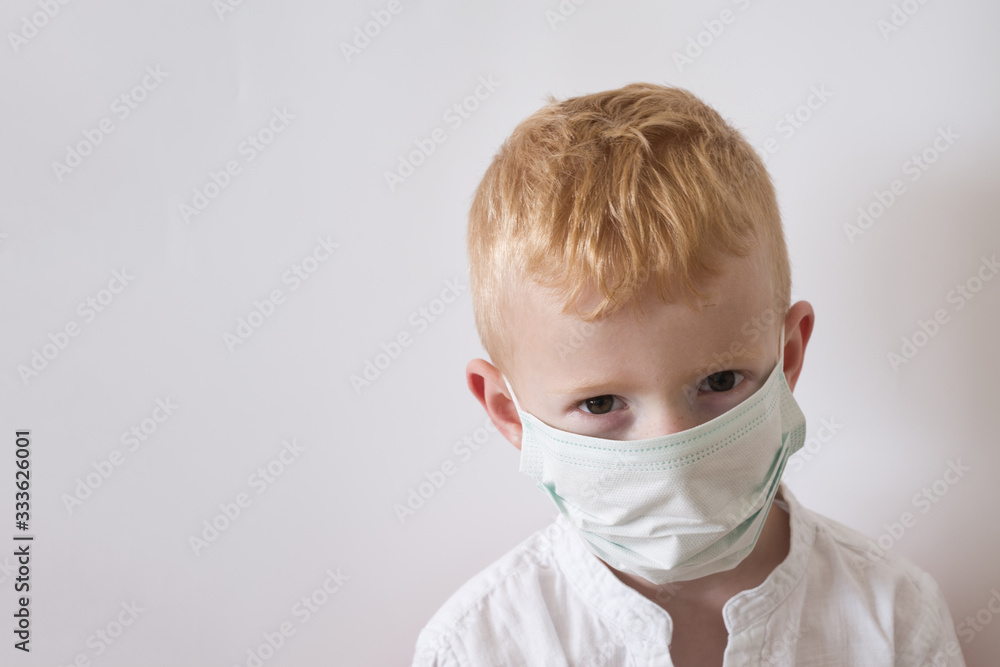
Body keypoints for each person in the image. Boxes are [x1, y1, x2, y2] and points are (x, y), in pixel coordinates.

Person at [411, 82, 965, 666]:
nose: (673, 452)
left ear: (789, 358)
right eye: (601, 404)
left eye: (720, 382)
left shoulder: (894, 617)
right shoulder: (478, 646)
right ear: (507, 411)